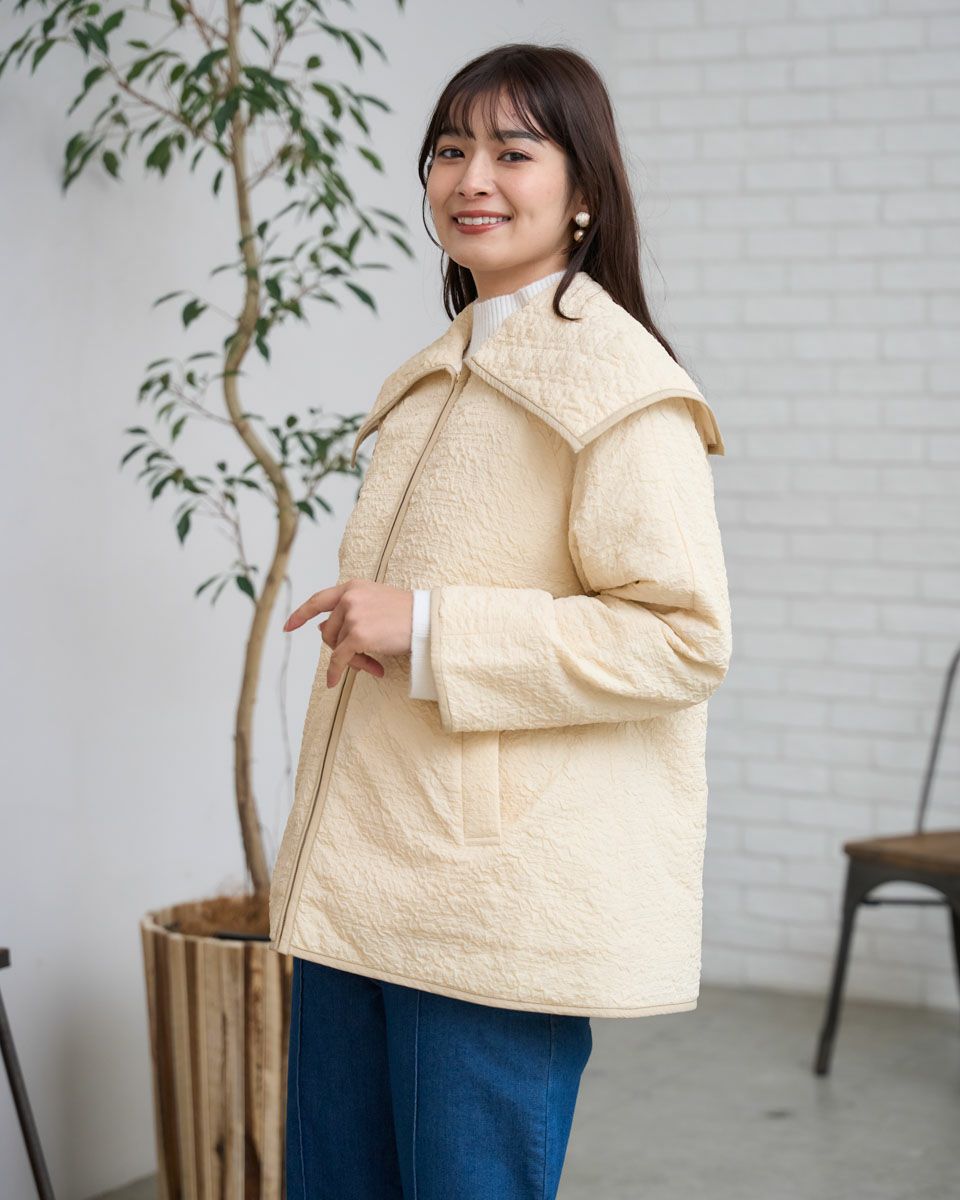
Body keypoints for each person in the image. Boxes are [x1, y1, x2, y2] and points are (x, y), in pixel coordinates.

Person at [270, 41, 732, 1200]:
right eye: (449, 150)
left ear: (584, 192)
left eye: (513, 152)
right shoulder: (440, 373)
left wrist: (431, 626)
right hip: (362, 880)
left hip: (488, 903)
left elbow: (683, 640)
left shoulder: (619, 387)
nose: (471, 178)